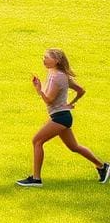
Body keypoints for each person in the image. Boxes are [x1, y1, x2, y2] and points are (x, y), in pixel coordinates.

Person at [16, 49, 109, 187]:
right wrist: (70, 104)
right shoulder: (57, 74)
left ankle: (36, 179)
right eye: (43, 57)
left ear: (57, 60)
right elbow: (80, 90)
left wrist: (39, 90)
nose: (44, 60)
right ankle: (103, 167)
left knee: (37, 141)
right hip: (62, 116)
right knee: (74, 147)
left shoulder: (57, 77)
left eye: (47, 58)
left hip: (60, 118)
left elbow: (49, 100)